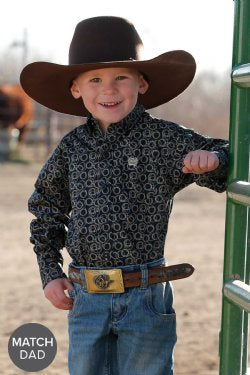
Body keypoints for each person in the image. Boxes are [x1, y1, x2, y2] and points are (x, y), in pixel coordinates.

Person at [20, 16, 228, 375]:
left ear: (142, 83)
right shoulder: (71, 149)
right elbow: (46, 210)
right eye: (95, 80)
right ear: (75, 89)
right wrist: (49, 271)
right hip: (85, 299)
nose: (109, 90)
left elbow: (221, 153)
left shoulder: (162, 139)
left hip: (145, 298)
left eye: (121, 78)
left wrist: (213, 159)